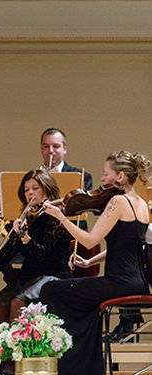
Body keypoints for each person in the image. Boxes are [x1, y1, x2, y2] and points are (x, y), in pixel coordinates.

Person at [40, 150, 151, 375]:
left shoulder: (118, 201)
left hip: (119, 282)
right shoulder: (141, 203)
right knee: (84, 301)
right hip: (138, 282)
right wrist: (90, 260)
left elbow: (90, 238)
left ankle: (75, 366)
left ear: (120, 177)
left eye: (105, 173)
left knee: (51, 290)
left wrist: (61, 217)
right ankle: (88, 365)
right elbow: (125, 247)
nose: (101, 179)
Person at [0, 170, 72, 375]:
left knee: (18, 301)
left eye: (35, 188)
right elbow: (7, 252)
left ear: (47, 190)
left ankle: (21, 361)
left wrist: (26, 240)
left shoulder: (57, 217)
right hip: (31, 278)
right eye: (26, 190)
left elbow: (46, 257)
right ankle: (7, 363)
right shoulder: (28, 217)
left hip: (54, 276)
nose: (30, 194)